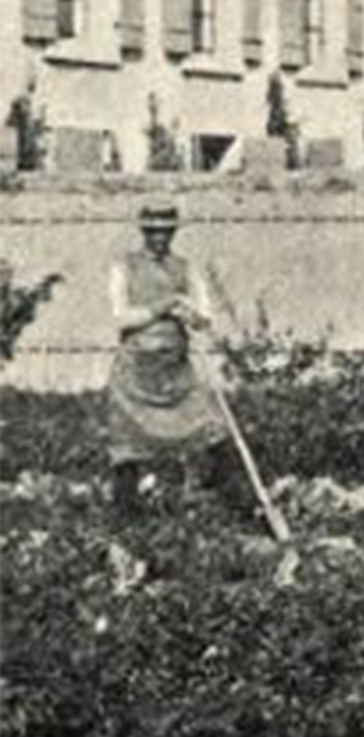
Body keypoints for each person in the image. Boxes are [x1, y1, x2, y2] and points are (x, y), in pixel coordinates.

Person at [103, 202, 233, 523]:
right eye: (152, 232)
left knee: (211, 427)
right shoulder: (124, 267)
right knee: (127, 442)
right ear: (143, 231)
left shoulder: (186, 268)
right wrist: (163, 305)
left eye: (165, 232)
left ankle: (233, 500)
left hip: (176, 369)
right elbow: (120, 319)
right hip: (135, 368)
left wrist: (191, 313)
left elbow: (205, 318)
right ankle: (126, 516)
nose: (159, 238)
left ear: (174, 232)